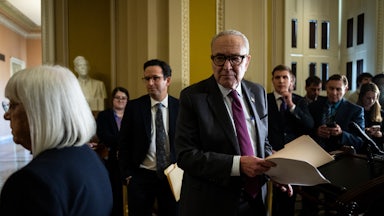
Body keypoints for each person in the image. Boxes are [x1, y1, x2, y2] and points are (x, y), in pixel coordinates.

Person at [175, 30, 292, 216]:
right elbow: (185, 155)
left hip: (255, 200)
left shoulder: (258, 92)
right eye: (220, 58)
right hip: (211, 202)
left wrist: (275, 171)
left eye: (235, 58)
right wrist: (237, 164)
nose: (227, 66)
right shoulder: (193, 97)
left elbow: (261, 142)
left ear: (247, 60)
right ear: (212, 59)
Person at [0, 65, 112, 215]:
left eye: (12, 105)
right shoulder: (89, 156)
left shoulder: (31, 183)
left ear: (39, 112)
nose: (6, 115)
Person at [119, 59, 179, 216]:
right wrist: (128, 174)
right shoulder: (134, 107)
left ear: (168, 80)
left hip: (172, 175)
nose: (150, 83)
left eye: (155, 78)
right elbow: (123, 143)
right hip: (141, 176)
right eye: (147, 79)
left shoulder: (180, 107)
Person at [267, 64, 314, 216]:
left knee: (288, 195)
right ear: (272, 80)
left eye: (284, 77)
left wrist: (291, 105)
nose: (281, 81)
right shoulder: (264, 99)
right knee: (269, 196)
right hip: (270, 152)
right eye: (277, 77)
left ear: (291, 81)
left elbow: (309, 125)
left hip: (293, 155)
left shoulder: (300, 102)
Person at [309, 74, 365, 153]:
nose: (334, 93)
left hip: (342, 156)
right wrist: (317, 131)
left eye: (338, 89)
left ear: (345, 90)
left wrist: (341, 134)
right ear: (326, 88)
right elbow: (304, 129)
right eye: (331, 88)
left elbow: (360, 141)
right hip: (315, 152)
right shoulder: (314, 106)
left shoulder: (355, 111)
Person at [97, 86, 130, 216]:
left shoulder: (132, 115)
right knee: (115, 192)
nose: (120, 100)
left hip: (130, 160)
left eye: (124, 98)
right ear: (112, 99)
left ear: (127, 100)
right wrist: (123, 141)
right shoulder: (104, 115)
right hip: (111, 160)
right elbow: (103, 135)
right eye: (117, 97)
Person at [357, 82, 384, 150]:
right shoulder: (355, 111)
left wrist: (381, 134)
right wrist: (366, 131)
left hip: (377, 149)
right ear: (362, 97)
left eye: (374, 98)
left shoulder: (381, 113)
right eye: (368, 98)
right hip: (360, 148)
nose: (371, 101)